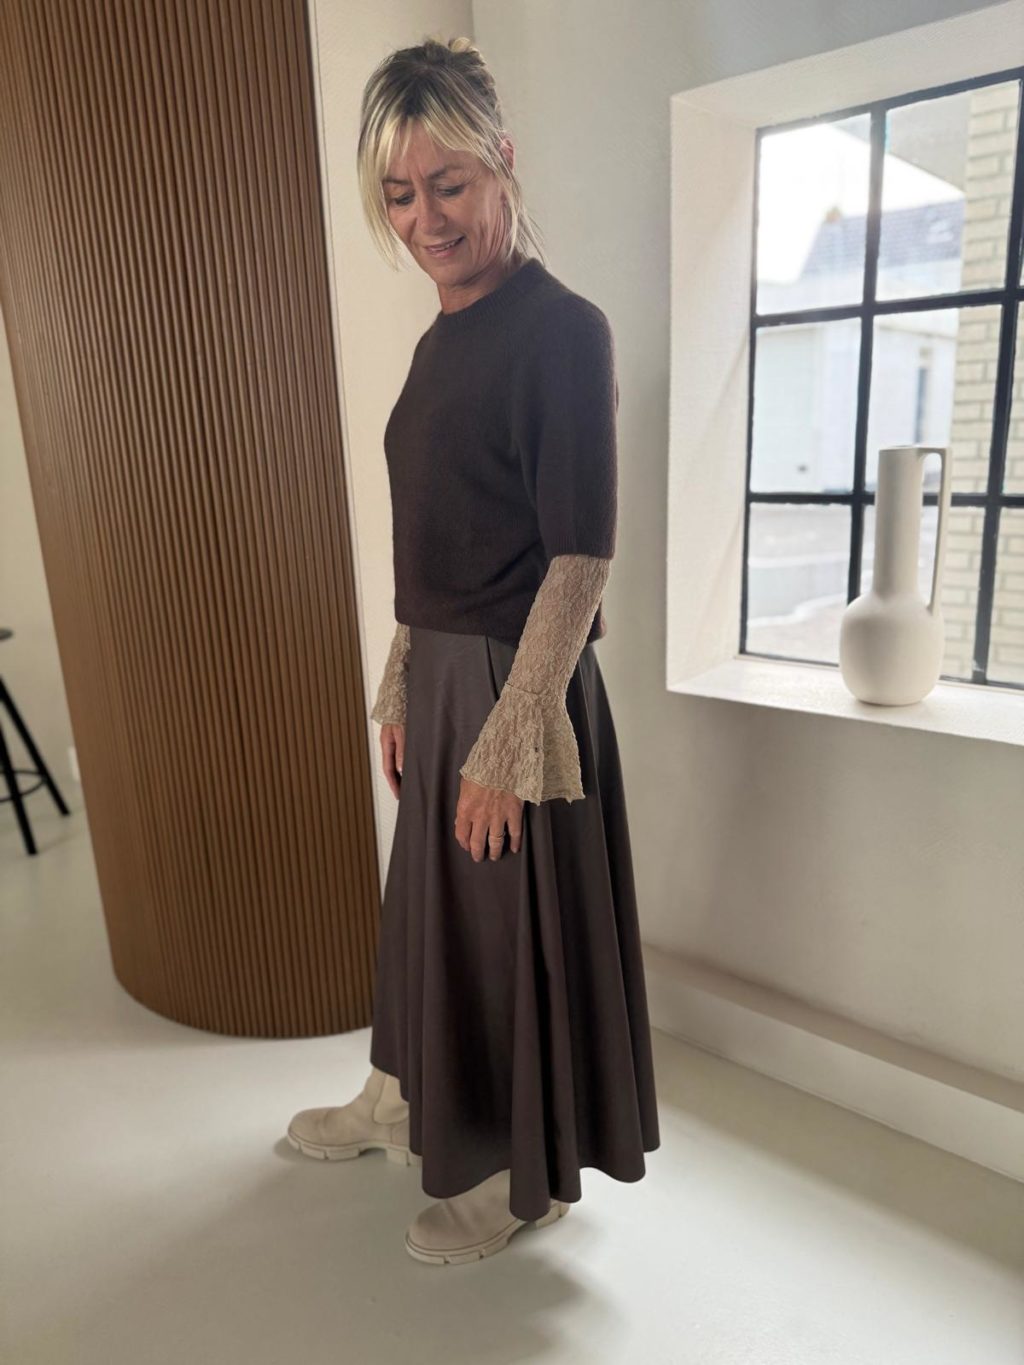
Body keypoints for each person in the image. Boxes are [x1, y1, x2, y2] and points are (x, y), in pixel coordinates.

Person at [287, 34, 659, 1266]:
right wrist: (404, 681)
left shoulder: (563, 331)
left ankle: (517, 1175)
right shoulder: (441, 337)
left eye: (447, 183)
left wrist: (507, 737)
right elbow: (438, 533)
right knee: (429, 921)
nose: (425, 219)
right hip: (447, 677)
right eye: (399, 193)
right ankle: (405, 1098)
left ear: (501, 159)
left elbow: (579, 556)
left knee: (507, 942)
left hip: (518, 686)